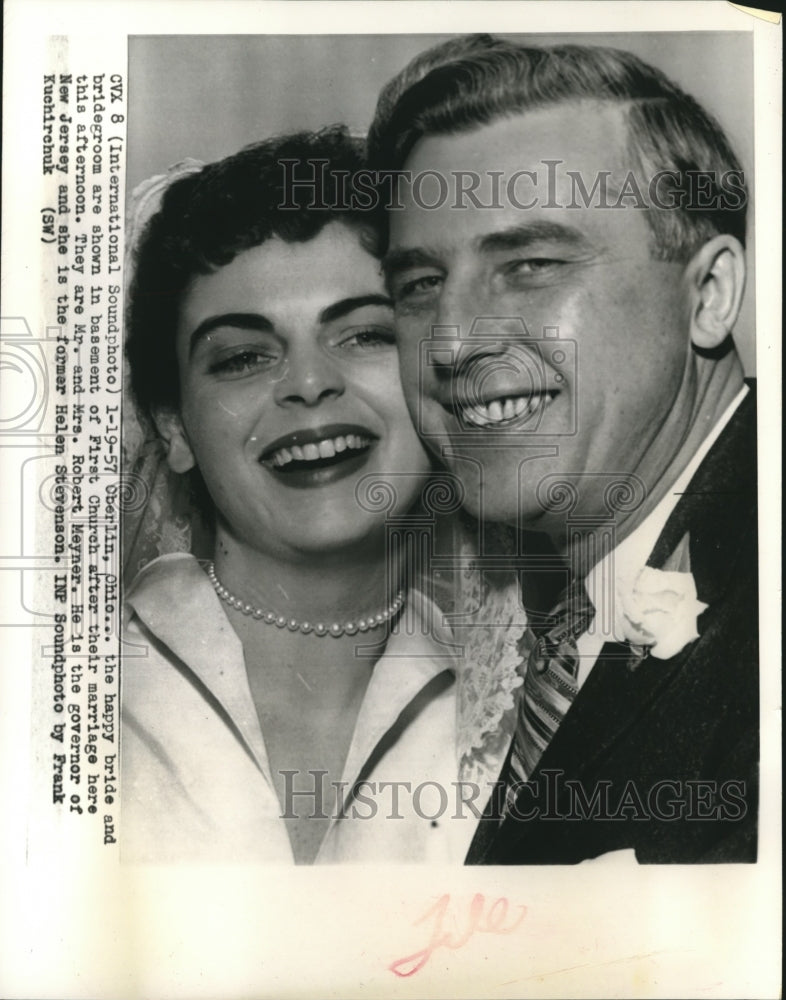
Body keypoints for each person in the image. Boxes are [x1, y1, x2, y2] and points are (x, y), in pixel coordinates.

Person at [366, 35, 757, 863]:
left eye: (532, 265)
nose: (451, 343)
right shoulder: (506, 626)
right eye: (420, 285)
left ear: (709, 295)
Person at [121, 126, 497, 865]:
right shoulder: (61, 697)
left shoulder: (511, 716)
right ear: (175, 429)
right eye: (242, 357)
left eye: (364, 336)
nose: (309, 383)